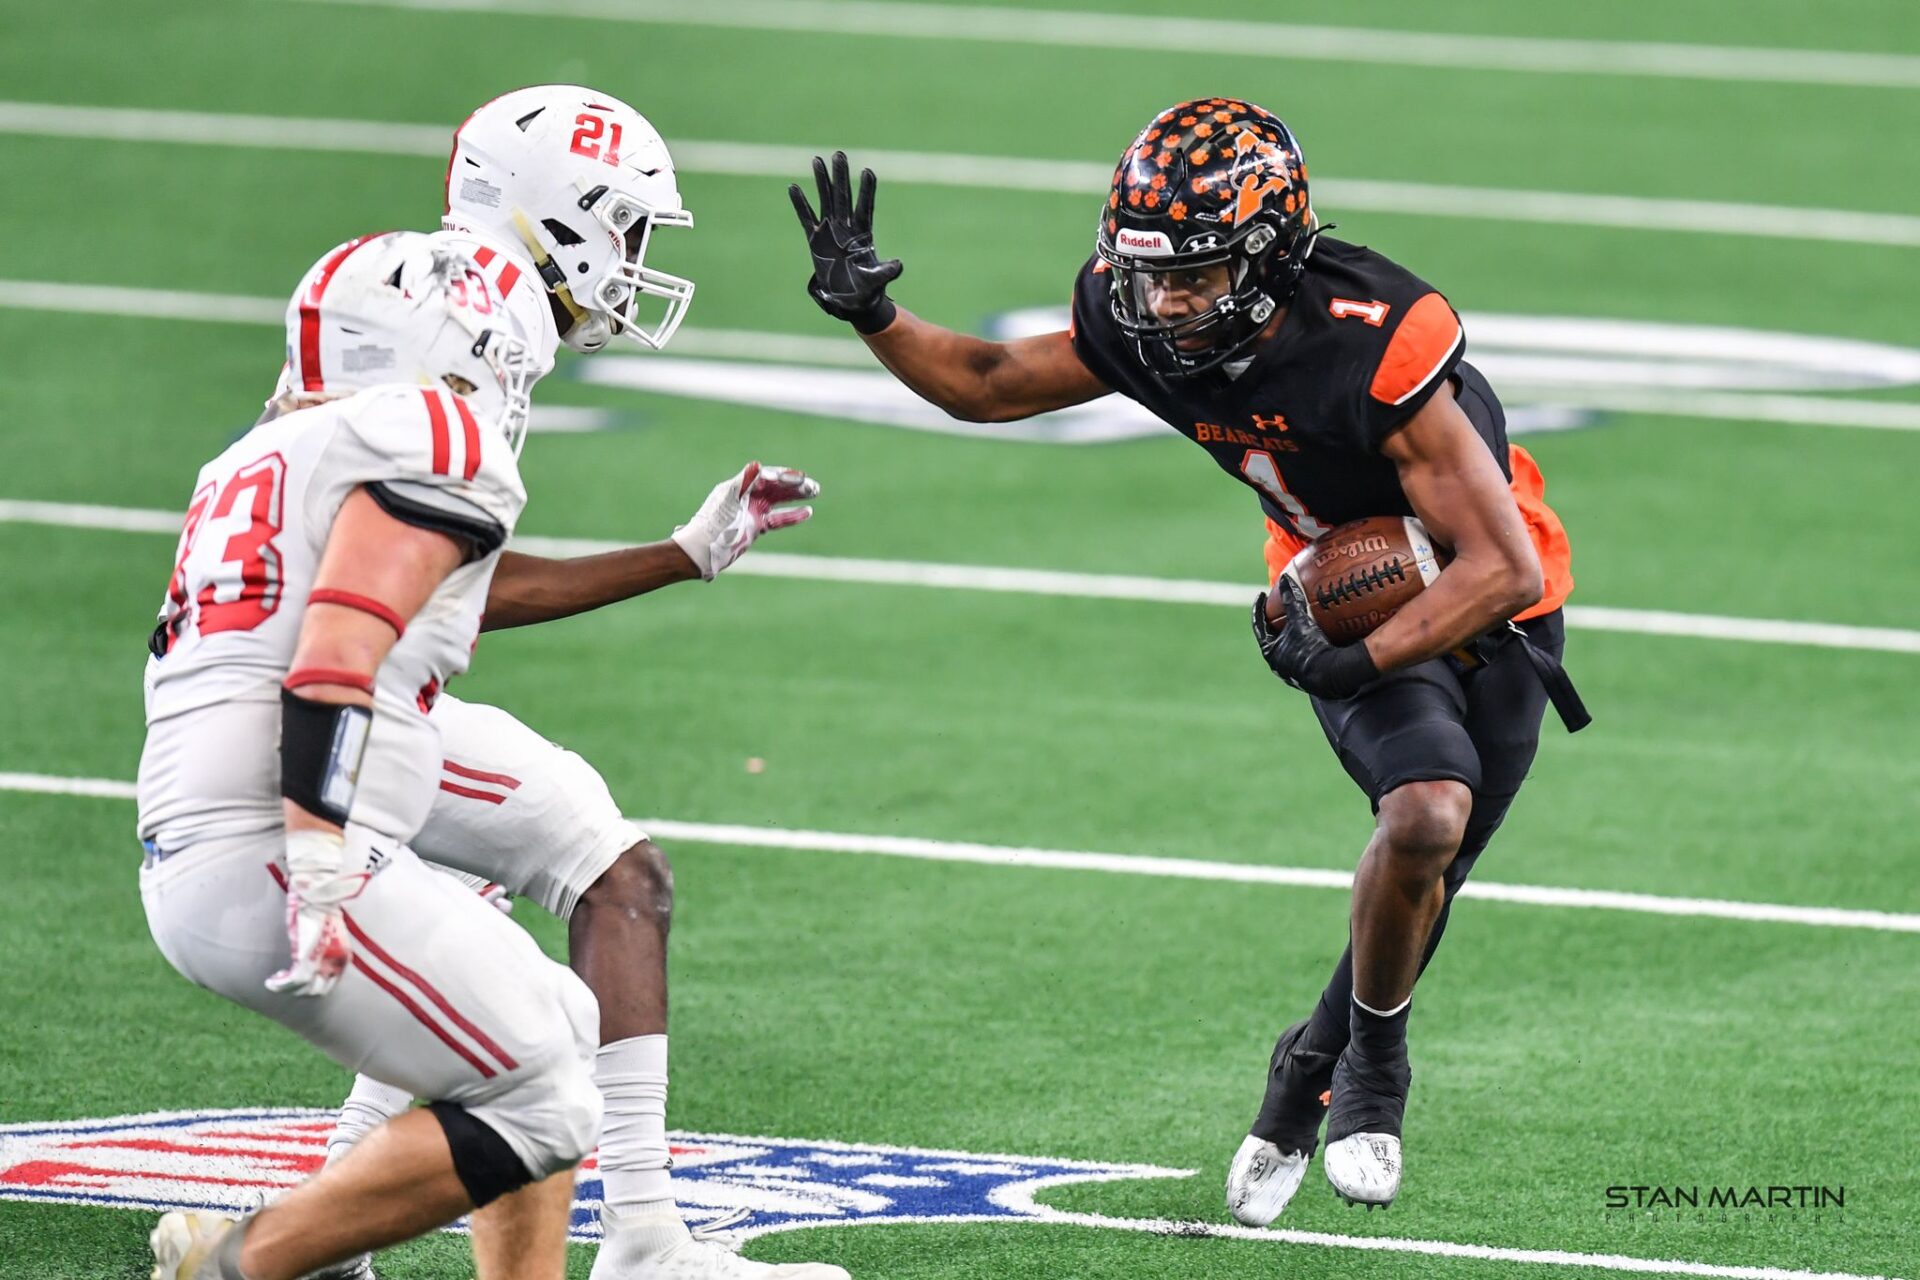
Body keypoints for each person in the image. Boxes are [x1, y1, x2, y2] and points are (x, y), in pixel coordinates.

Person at [787, 99, 1585, 1216]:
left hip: (1494, 589)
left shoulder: (1373, 333)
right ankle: (1377, 1073)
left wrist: (1357, 667)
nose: (1164, 300)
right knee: (1424, 817)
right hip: (1337, 585)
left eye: (1197, 275)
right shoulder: (1143, 315)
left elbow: (1494, 565)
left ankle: (1306, 1064)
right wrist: (874, 313)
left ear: (1269, 255)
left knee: (1435, 870)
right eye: (1151, 273)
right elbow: (987, 382)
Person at [274, 86, 842, 1280]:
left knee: (611, 868)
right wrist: (673, 561)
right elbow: (430, 584)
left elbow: (444, 575)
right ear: (562, 213)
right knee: (504, 973)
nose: (634, 263)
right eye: (627, 228)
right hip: (333, 700)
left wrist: (680, 554)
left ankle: (639, 1237)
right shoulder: (468, 322)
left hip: (368, 683)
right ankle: (304, 1241)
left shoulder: (464, 303)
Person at [140, 233, 604, 1280]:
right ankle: (244, 1268)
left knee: (560, 1026)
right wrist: (315, 864)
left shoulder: (257, 456)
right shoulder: (430, 429)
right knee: (543, 1093)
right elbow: (333, 656)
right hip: (277, 840)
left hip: (203, 834)